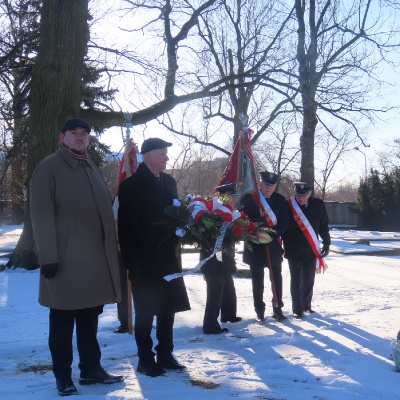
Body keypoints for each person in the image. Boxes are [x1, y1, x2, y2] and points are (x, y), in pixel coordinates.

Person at [30, 118, 124, 397]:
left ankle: (91, 369)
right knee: (61, 323)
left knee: (89, 322)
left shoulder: (90, 165)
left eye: (84, 134)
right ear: (62, 137)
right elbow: (41, 213)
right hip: (64, 262)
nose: (80, 137)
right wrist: (48, 256)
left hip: (94, 262)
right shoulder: (49, 167)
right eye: (74, 133)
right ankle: (63, 377)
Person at [118, 137, 191, 378]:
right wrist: (132, 264)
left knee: (168, 308)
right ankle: (145, 359)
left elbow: (176, 213)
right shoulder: (131, 185)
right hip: (144, 261)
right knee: (146, 312)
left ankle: (166, 354)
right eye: (162, 153)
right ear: (147, 156)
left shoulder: (169, 181)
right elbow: (126, 229)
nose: (167, 158)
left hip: (169, 258)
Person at [241, 171, 289, 323]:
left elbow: (284, 222)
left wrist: (273, 236)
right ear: (260, 183)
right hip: (254, 245)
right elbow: (243, 218)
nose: (269, 188)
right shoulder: (250, 198)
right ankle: (259, 310)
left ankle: (277, 308)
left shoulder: (281, 200)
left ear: (276, 186)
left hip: (272, 245)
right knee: (257, 280)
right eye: (266, 184)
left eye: (272, 185)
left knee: (276, 278)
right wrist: (256, 232)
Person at [281, 182, 331, 318]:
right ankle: (297, 309)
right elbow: (283, 226)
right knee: (296, 279)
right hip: (293, 248)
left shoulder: (318, 205)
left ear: (310, 194)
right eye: (298, 195)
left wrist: (327, 243)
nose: (300, 198)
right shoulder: (288, 205)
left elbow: (323, 226)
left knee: (309, 279)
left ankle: (306, 306)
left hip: (311, 249)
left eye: (304, 195)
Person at [200, 183, 242, 335]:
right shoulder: (213, 212)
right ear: (222, 196)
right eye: (231, 196)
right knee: (214, 293)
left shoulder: (229, 212)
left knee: (228, 287)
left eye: (234, 196)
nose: (233, 199)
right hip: (213, 262)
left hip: (224, 261)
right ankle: (210, 325)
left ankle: (228, 314)